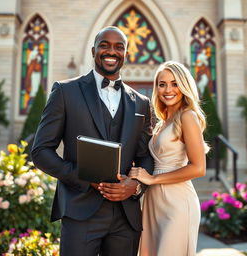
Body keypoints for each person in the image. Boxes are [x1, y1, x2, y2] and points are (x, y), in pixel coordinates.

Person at [31, 26, 154, 256]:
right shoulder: (65, 91)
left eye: (119, 47)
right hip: (80, 211)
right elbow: (41, 152)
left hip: (125, 217)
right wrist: (84, 178)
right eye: (104, 45)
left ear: (126, 54)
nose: (111, 51)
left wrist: (135, 186)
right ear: (93, 50)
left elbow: (146, 156)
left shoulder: (141, 103)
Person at [129, 60, 209, 256]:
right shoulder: (162, 123)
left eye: (174, 83)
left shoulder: (187, 116)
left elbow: (199, 168)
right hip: (153, 201)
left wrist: (153, 178)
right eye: (162, 84)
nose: (168, 89)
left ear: (184, 85)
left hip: (177, 202)